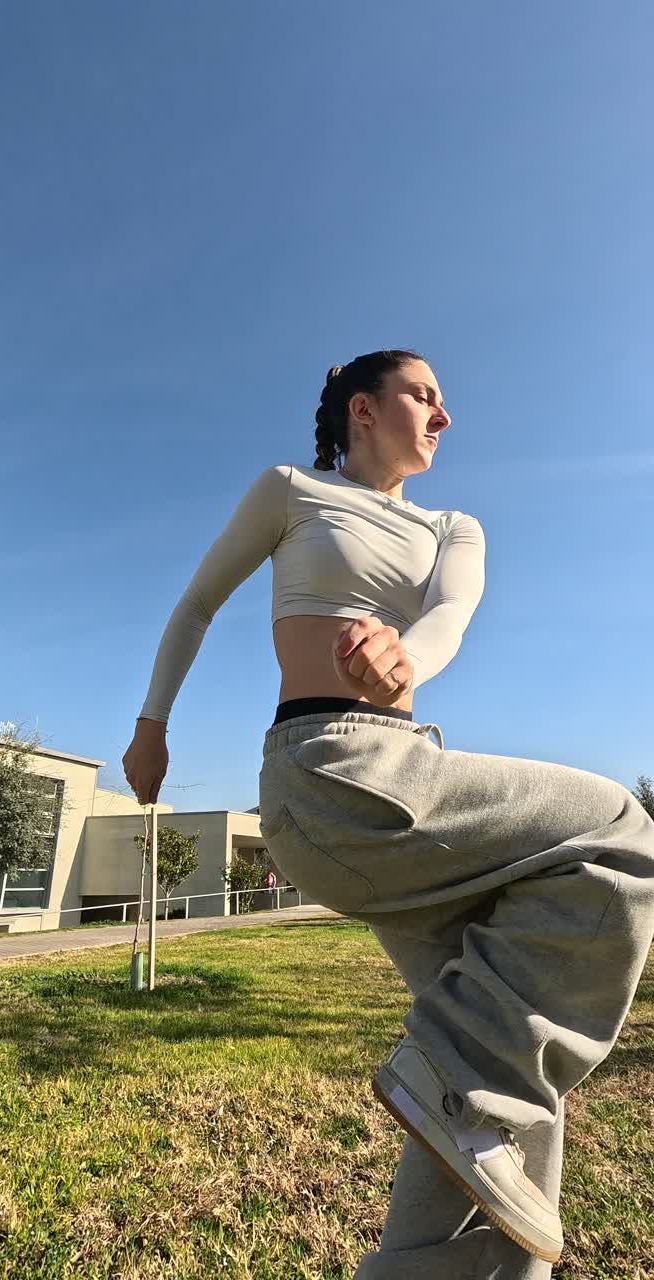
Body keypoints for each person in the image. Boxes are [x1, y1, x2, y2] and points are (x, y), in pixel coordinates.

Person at [122, 348, 654, 1279]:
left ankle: (443, 1264)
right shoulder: (290, 490)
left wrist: (406, 656)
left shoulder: (454, 526)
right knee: (619, 827)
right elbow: (198, 603)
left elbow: (451, 613)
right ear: (363, 409)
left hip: (409, 773)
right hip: (329, 771)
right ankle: (441, 1090)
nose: (444, 415)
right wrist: (151, 724)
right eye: (425, 395)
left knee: (508, 1075)